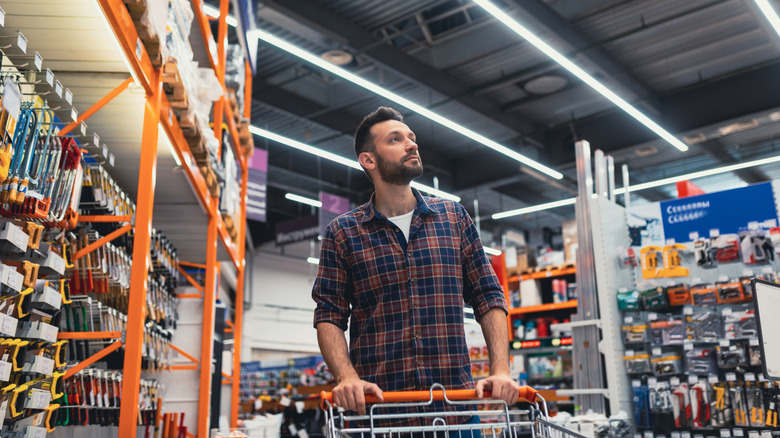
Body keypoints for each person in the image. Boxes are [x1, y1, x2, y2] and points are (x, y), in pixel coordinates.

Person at [312, 107, 520, 431]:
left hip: (455, 416)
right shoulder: (343, 233)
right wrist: (347, 377)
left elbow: (488, 295)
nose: (411, 144)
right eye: (395, 139)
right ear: (368, 160)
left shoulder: (453, 218)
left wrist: (501, 370)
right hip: (380, 420)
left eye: (411, 137)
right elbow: (329, 314)